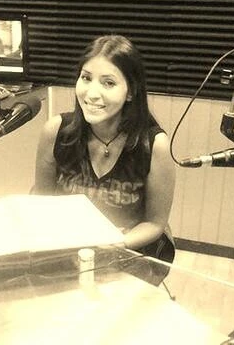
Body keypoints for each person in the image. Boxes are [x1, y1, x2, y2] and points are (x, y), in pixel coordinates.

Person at [33, 34, 176, 271]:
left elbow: (154, 224)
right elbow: (42, 202)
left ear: (131, 92)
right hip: (67, 251)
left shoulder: (154, 145)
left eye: (108, 83)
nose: (91, 93)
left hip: (128, 255)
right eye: (86, 78)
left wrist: (114, 242)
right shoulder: (55, 131)